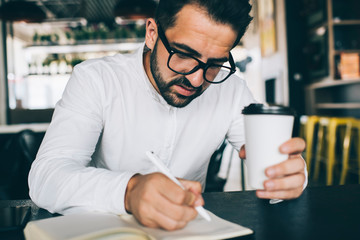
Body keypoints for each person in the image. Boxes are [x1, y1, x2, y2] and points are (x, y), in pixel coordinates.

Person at [29, 0, 307, 231]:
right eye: (184, 54)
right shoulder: (96, 80)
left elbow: (273, 160)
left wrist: (290, 173)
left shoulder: (231, 90)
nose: (197, 80)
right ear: (152, 32)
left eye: (215, 64)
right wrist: (129, 191)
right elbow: (46, 177)